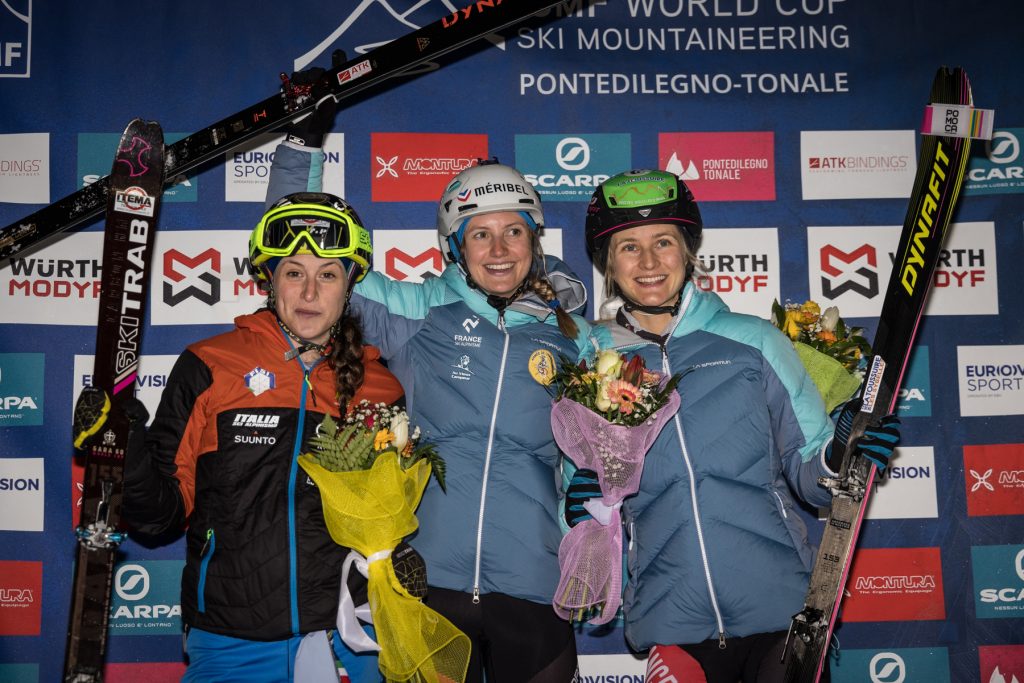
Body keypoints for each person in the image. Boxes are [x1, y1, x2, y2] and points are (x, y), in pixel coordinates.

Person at [267, 109, 592, 681]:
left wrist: (593, 531)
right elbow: (311, 243)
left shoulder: (578, 337)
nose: (498, 249)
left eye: (513, 230)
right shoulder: (418, 312)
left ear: (533, 240)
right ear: (455, 247)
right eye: (480, 234)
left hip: (535, 585)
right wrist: (303, 148)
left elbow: (598, 461)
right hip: (427, 580)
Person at [572, 169, 901, 683]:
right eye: (629, 247)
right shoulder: (589, 360)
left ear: (688, 252)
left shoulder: (755, 342)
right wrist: (576, 501)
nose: (650, 261)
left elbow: (809, 474)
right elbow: (570, 484)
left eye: (664, 241)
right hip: (671, 617)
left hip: (782, 612)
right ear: (608, 265)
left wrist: (842, 451)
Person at [74, 193, 403, 682]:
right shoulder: (209, 365)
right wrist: (126, 448)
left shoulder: (379, 385)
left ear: (350, 284)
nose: (309, 292)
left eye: (327, 275)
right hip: (231, 638)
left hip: (350, 637)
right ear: (269, 280)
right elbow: (159, 517)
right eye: (294, 272)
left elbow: (393, 518)